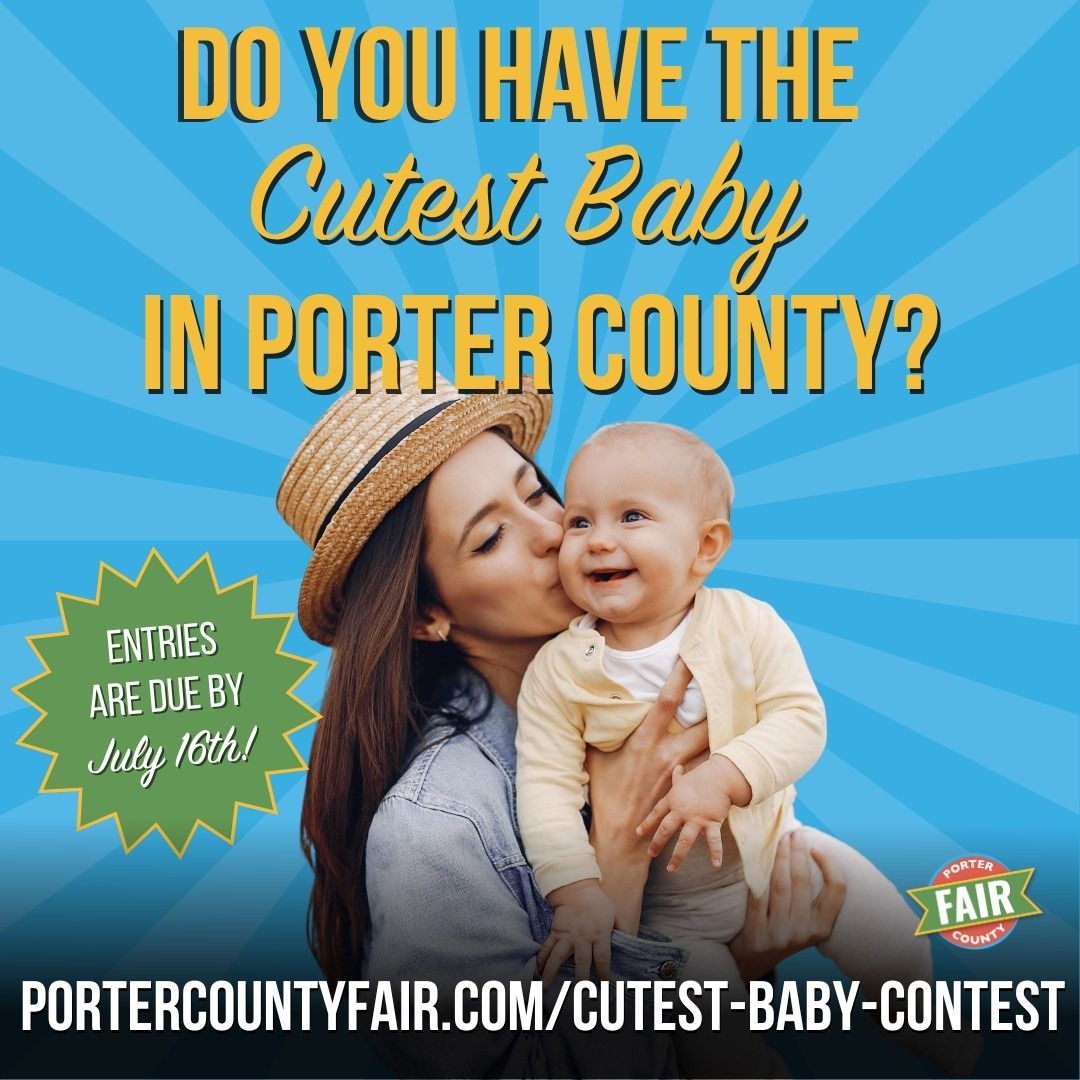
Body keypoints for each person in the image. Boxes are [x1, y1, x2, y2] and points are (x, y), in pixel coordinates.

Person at [277, 363, 846, 1079]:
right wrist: (614, 856)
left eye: (540, 493)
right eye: (490, 538)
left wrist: (747, 960)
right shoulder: (437, 830)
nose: (557, 533)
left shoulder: (660, 679)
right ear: (428, 615)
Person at [514, 421, 951, 1076]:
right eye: (578, 521)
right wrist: (577, 893)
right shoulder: (559, 669)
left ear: (705, 546)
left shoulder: (747, 624)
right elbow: (544, 788)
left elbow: (800, 718)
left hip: (773, 850)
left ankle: (938, 1032)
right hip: (669, 917)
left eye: (632, 516)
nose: (598, 539)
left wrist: (726, 773)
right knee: (709, 1031)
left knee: (874, 914)